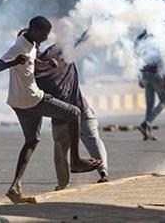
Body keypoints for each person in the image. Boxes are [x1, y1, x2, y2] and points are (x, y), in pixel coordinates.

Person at [0, 16, 101, 203]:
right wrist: (14, 61)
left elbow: (29, 64)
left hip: (18, 103)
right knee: (74, 113)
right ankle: (75, 161)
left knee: (32, 140)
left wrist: (44, 64)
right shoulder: (19, 47)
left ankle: (15, 187)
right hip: (33, 98)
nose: (45, 38)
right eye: (44, 34)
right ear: (34, 30)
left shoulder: (31, 43)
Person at [34, 44, 109, 190]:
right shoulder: (58, 51)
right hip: (78, 109)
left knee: (61, 150)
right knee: (92, 140)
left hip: (64, 115)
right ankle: (103, 173)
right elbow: (79, 40)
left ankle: (63, 185)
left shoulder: (33, 73)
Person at [135, 30, 165, 141]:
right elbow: (160, 60)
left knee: (150, 104)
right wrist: (163, 78)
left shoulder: (140, 39)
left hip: (145, 75)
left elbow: (137, 61)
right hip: (155, 74)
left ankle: (147, 132)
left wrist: (140, 78)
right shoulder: (155, 40)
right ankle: (146, 124)